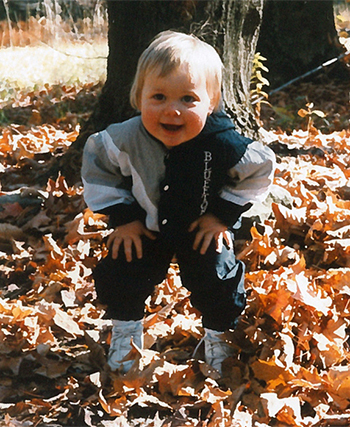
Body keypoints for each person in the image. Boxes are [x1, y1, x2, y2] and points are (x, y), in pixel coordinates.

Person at [81, 30, 275, 375]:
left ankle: (219, 335)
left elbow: (259, 171)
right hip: (143, 226)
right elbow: (99, 171)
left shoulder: (224, 143)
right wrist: (122, 218)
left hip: (200, 228)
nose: (172, 111)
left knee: (219, 278)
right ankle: (126, 333)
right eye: (158, 97)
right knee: (123, 271)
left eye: (188, 99)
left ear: (210, 102)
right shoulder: (121, 140)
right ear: (138, 96)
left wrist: (221, 216)